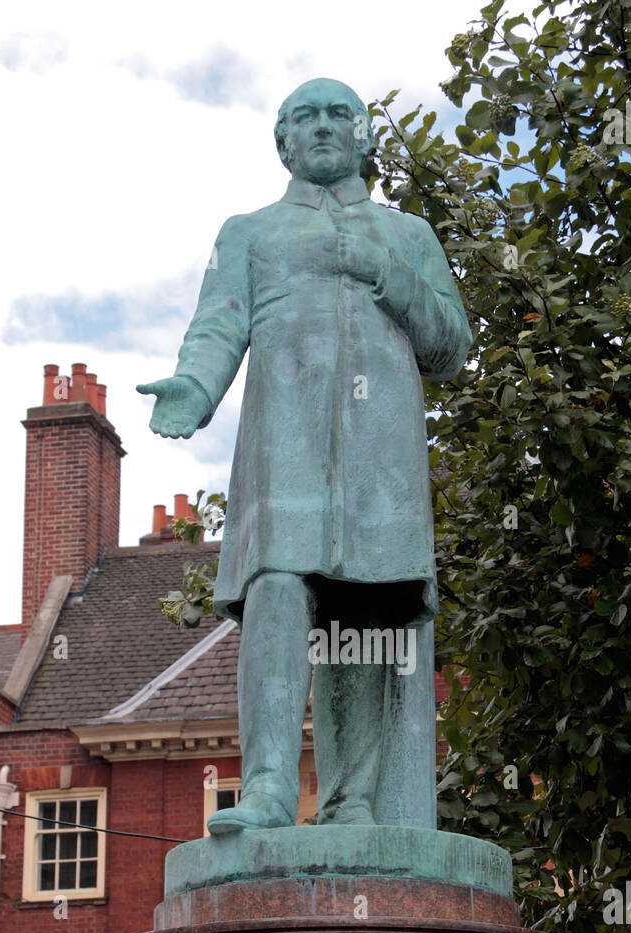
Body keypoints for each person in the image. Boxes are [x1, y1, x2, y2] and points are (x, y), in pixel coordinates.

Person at [138, 77, 472, 833]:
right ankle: (266, 790)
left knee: (367, 612)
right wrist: (192, 386)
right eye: (303, 117)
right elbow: (219, 322)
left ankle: (354, 804)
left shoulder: (408, 234)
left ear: (365, 136)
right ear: (283, 141)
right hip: (282, 452)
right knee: (279, 588)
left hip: (380, 462)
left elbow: (452, 346)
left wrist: (389, 276)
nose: (321, 127)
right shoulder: (250, 232)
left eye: (338, 115)